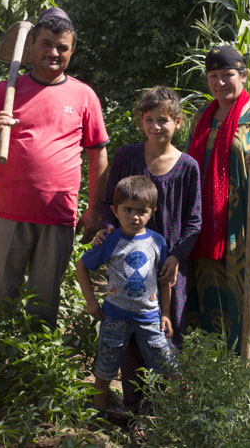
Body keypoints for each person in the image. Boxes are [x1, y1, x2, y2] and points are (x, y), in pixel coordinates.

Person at [0, 7, 109, 345]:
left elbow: (98, 155)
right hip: (7, 214)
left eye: (62, 47)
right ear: (31, 45)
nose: (53, 53)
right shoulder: (4, 92)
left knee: (44, 306)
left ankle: (32, 385)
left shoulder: (84, 95)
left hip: (58, 217)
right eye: (46, 44)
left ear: (72, 51)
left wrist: (94, 210)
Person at [183, 45, 250, 367]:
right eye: (213, 76)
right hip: (207, 227)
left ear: (243, 75)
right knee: (209, 290)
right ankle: (218, 364)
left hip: (246, 226)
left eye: (227, 75)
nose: (219, 83)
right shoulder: (201, 117)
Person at [99, 86, 201, 412]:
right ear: (141, 122)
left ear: (178, 123)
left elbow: (194, 220)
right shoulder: (127, 157)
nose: (156, 126)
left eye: (163, 120)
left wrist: (176, 256)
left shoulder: (187, 167)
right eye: (149, 120)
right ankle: (133, 406)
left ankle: (163, 410)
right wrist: (110, 233)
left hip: (168, 267)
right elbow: (108, 204)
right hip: (129, 265)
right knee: (128, 333)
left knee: (165, 330)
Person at [77, 175, 176, 412]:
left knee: (167, 367)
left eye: (142, 211)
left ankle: (175, 414)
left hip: (150, 318)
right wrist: (91, 302)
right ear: (115, 210)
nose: (134, 217)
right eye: (127, 210)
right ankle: (97, 415)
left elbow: (164, 281)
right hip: (115, 318)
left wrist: (166, 314)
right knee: (105, 368)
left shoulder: (157, 242)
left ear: (152, 211)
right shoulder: (111, 240)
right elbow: (83, 265)